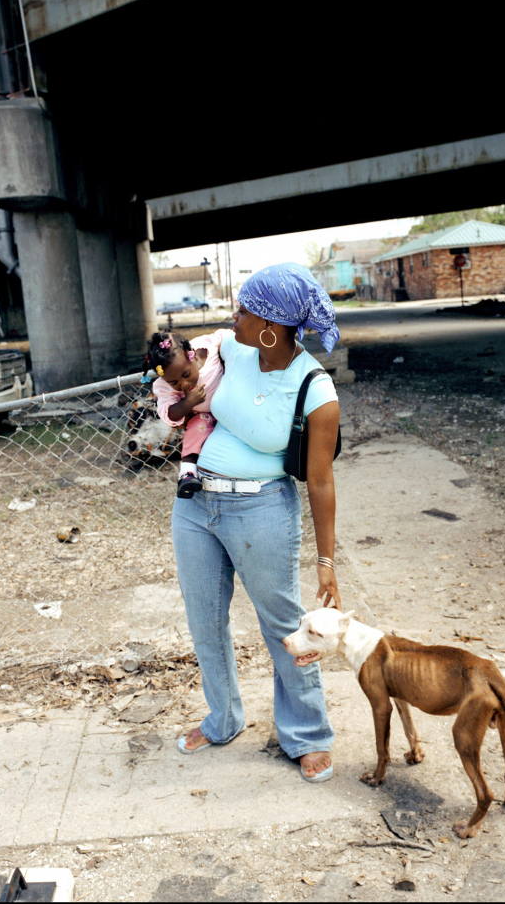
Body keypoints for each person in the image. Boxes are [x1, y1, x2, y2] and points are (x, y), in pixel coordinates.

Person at [172, 263, 342, 784]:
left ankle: (308, 735)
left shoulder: (315, 387)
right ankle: (222, 719)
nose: (234, 316)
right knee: (205, 622)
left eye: (244, 311)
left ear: (272, 324)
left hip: (262, 510)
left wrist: (326, 561)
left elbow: (320, 482)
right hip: (196, 506)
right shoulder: (229, 350)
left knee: (284, 628)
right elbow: (172, 369)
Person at [144, 330, 228, 499]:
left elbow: (223, 335)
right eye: (174, 382)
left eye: (186, 375)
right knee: (195, 428)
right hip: (205, 414)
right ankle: (187, 472)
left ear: (193, 356)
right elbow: (167, 412)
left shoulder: (207, 348)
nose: (183, 384)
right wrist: (188, 403)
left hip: (230, 405)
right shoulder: (164, 386)